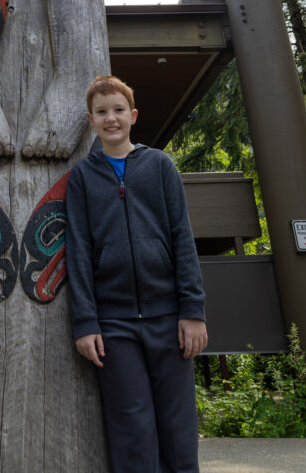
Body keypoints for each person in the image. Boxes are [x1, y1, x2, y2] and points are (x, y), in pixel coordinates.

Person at [65, 76, 208, 473]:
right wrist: (85, 321)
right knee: (131, 423)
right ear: (91, 120)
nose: (111, 118)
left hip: (169, 318)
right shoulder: (82, 177)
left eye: (118, 110)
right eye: (101, 112)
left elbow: (181, 237)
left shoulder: (160, 166)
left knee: (178, 424)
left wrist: (192, 311)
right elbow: (77, 250)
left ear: (133, 116)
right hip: (113, 324)